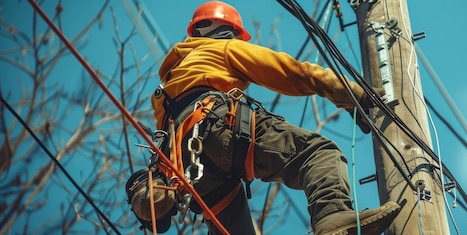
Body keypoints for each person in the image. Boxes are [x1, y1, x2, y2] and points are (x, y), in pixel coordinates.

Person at [126, 1, 400, 234]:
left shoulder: (167, 87)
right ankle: (332, 218)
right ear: (225, 31)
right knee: (318, 154)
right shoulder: (221, 48)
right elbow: (291, 72)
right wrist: (356, 95)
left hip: (187, 169)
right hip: (218, 126)